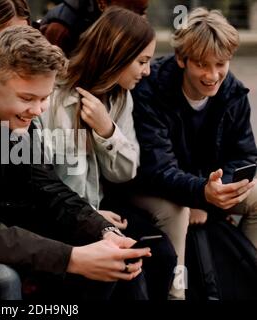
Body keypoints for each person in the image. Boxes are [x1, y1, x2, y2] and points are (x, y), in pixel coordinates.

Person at [0, 25, 151, 300]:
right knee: (1, 279)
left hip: (1, 230)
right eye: (27, 98)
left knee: (110, 253)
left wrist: (103, 230)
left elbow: (49, 188)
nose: (36, 110)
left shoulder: (19, 120)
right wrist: (71, 258)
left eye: (45, 98)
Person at [37, 6, 176, 300]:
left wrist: (107, 130)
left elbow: (125, 171)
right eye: (141, 61)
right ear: (117, 54)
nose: (147, 71)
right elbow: (41, 180)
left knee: (162, 253)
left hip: (96, 211)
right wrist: (91, 217)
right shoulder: (52, 96)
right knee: (129, 270)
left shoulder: (120, 98)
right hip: (59, 217)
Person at [131, 8, 257, 300]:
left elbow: (245, 156)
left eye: (221, 64)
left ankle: (250, 280)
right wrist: (201, 194)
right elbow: (156, 169)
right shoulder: (152, 89)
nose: (213, 75)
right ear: (181, 59)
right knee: (178, 213)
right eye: (202, 64)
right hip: (156, 187)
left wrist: (215, 195)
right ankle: (177, 296)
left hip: (204, 188)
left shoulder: (233, 93)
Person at [39, 0, 149, 56]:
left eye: (143, 12)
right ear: (103, 3)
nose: (141, 21)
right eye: (133, 12)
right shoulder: (60, 30)